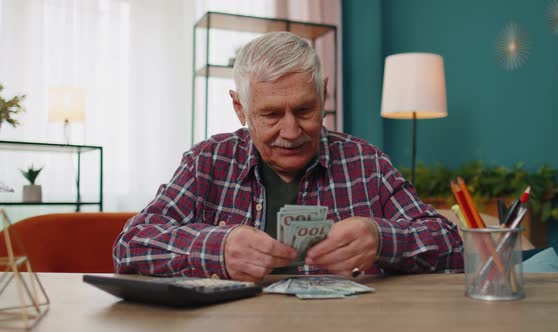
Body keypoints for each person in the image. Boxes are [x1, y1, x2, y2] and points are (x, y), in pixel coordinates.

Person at [113, 31, 463, 282]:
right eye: (271, 115)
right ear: (240, 108)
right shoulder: (207, 162)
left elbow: (451, 245)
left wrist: (383, 239)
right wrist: (217, 247)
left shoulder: (367, 163)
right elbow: (130, 246)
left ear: (323, 93)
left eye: (305, 109)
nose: (292, 131)